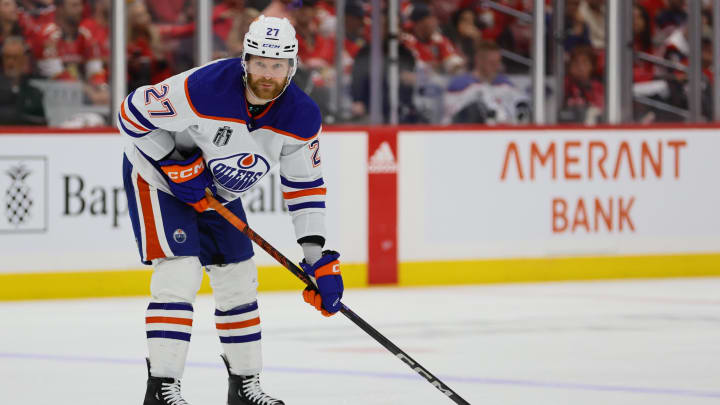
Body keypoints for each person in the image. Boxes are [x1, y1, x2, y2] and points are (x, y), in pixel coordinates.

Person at [117, 15, 344, 405]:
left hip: (216, 191)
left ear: (292, 67)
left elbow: (305, 186)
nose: (267, 75)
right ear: (245, 60)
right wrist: (172, 160)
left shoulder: (301, 117)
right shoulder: (203, 88)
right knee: (180, 273)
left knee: (239, 279)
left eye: (277, 66)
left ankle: (244, 387)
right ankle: (161, 390)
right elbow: (130, 113)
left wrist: (316, 256)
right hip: (156, 179)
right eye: (259, 63)